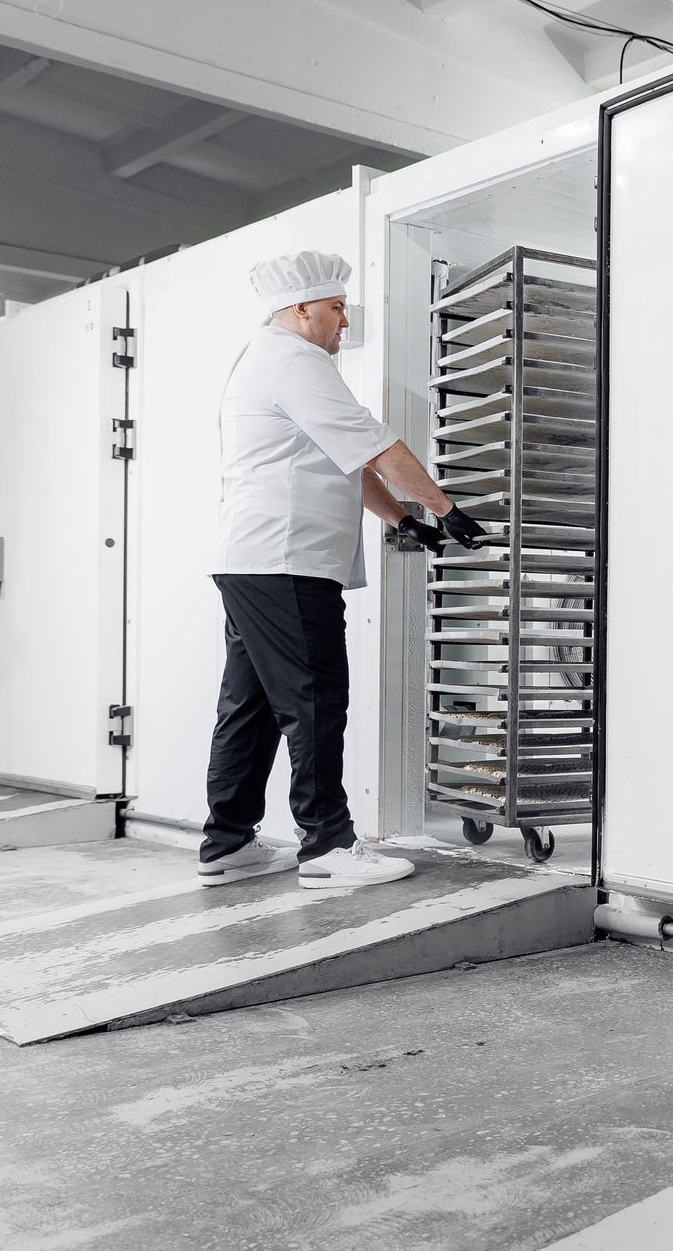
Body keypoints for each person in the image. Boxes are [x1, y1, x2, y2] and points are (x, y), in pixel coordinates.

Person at [198, 250, 487, 889]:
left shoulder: (268, 360)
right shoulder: (294, 361)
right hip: (286, 562)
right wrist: (447, 508)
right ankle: (328, 847)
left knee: (249, 706)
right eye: (335, 310)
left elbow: (343, 461)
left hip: (256, 562)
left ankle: (226, 845)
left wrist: (402, 521)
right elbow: (376, 445)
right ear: (300, 309)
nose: (343, 324)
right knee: (316, 701)